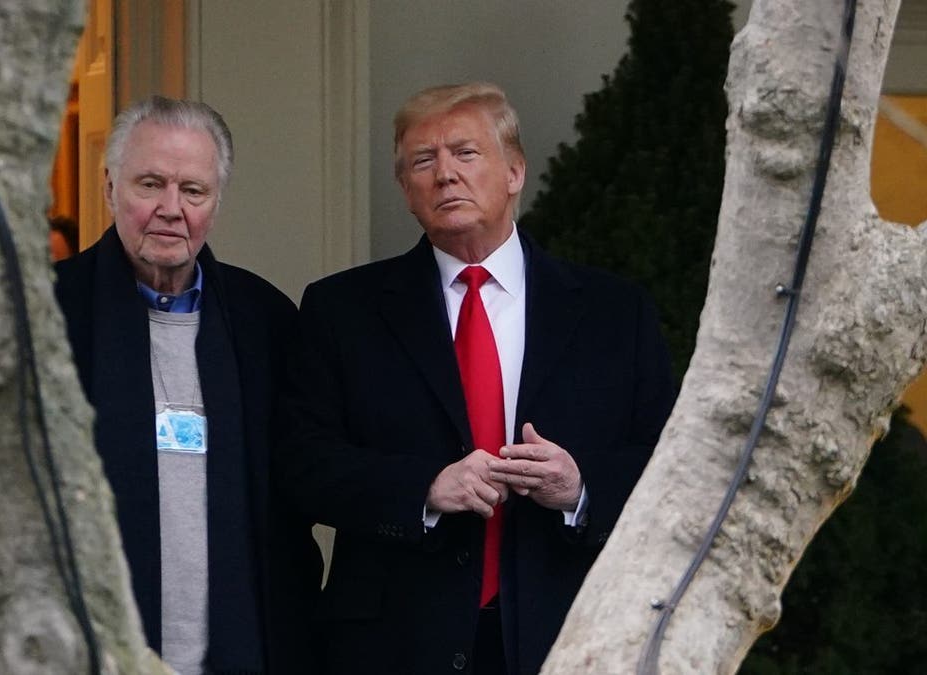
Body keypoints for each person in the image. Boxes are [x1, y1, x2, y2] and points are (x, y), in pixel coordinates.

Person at [279, 82, 674, 674]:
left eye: (465, 153)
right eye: (423, 160)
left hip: (566, 634)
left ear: (514, 172)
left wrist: (580, 488)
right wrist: (424, 490)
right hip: (395, 642)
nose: (445, 175)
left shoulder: (615, 313)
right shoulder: (342, 310)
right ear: (406, 189)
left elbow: (670, 466)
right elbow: (302, 464)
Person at [54, 96, 321, 674]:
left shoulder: (265, 323)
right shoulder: (45, 315)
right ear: (109, 188)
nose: (170, 209)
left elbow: (304, 489)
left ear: (215, 202)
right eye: (150, 184)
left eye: (193, 191)